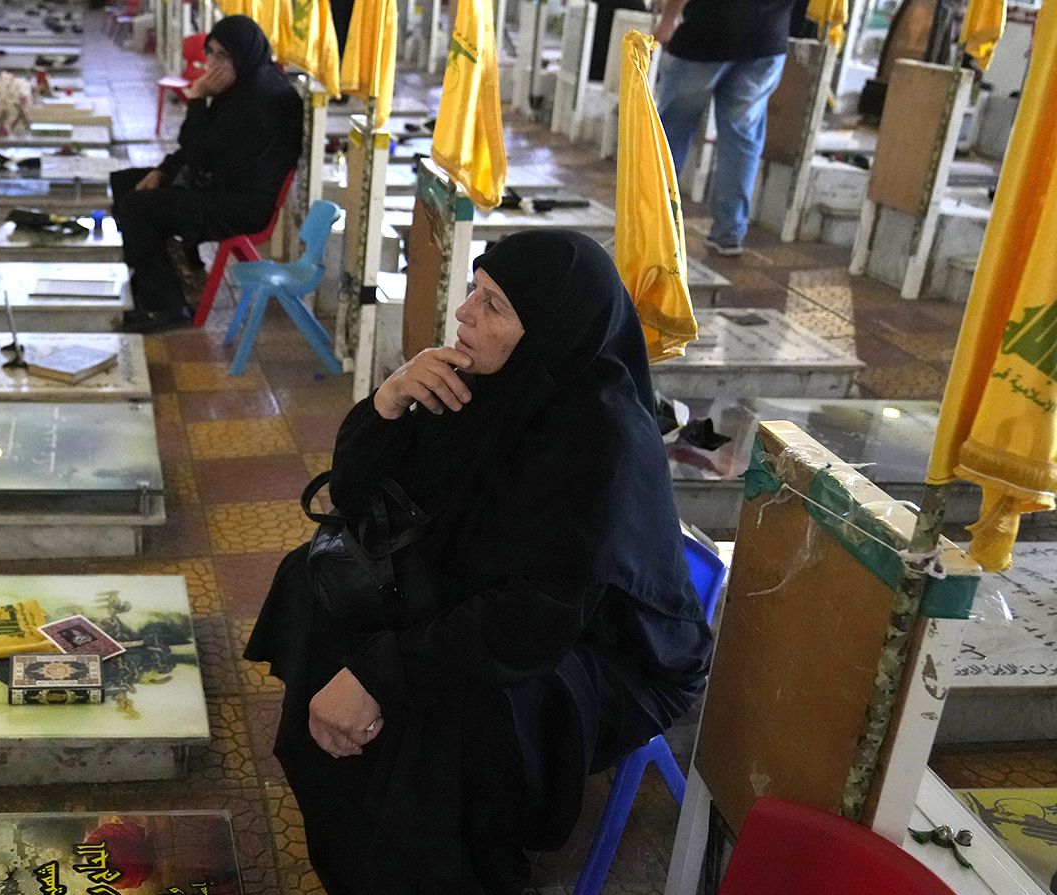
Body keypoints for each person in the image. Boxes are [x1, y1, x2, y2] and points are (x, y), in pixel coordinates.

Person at [245, 231, 714, 894]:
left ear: (548, 329)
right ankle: (350, 805)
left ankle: (446, 871)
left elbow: (531, 619)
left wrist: (380, 672)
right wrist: (388, 403)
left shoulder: (599, 441)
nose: (464, 312)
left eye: (493, 305)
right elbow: (355, 499)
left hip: (607, 645)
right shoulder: (478, 383)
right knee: (317, 581)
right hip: (501, 592)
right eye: (473, 290)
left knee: (462, 710)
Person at [109, 15, 304, 333]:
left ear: (243, 54)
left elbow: (200, 158)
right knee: (127, 183)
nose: (212, 63)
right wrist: (163, 171)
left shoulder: (257, 100)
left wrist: (198, 99)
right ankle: (156, 274)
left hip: (241, 206)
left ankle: (166, 305)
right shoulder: (248, 85)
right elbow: (196, 151)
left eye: (223, 56)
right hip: (224, 188)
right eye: (210, 53)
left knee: (137, 207)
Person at [653, 0, 801, 256]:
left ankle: (654, 223)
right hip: (766, 39)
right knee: (742, 139)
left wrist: (667, 20)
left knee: (670, 134)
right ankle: (729, 232)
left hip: (706, 34)